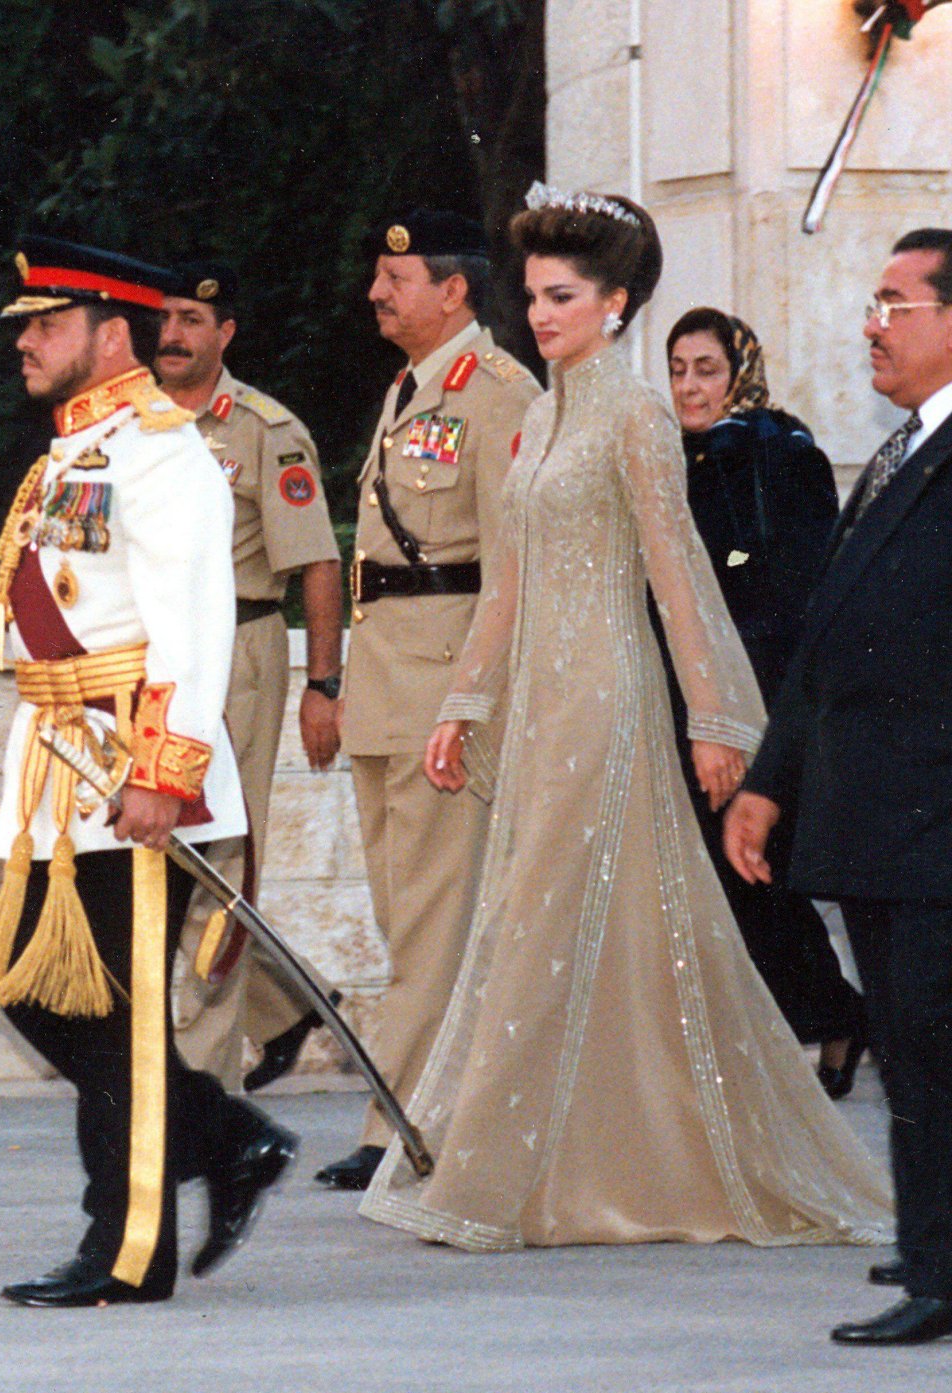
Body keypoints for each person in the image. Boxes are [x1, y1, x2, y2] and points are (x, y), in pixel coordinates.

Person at [360, 185, 892, 1255]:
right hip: (537, 704)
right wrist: (463, 701)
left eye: (563, 296)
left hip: (607, 694)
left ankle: (498, 1176)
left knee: (548, 918)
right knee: (538, 922)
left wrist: (718, 721)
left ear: (614, 306)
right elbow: (502, 586)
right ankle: (543, 1162)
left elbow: (679, 573)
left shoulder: (637, 415)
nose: (541, 311)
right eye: (534, 294)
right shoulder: (545, 412)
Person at [0, 235, 295, 1308]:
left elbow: (197, 626)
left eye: (45, 324)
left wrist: (163, 770)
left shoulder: (164, 452)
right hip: (57, 766)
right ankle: (225, 1136)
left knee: (121, 1009)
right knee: (43, 994)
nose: (25, 342)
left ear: (112, 333)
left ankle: (127, 1249)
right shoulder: (71, 453)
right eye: (22, 325)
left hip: (128, 761)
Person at [726, 227, 952, 1346]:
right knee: (910, 1043)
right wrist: (770, 783)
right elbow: (827, 641)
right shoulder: (900, 452)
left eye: (896, 302)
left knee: (935, 1039)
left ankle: (943, 1269)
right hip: (877, 812)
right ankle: (932, 1244)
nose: (874, 322)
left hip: (936, 812)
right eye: (872, 300)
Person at [317, 209, 540, 1192]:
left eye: (396, 278)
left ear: (453, 289)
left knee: (433, 926)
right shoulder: (410, 389)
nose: (377, 292)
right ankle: (419, 1113)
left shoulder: (498, 396)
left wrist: (474, 701)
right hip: (383, 689)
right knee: (407, 917)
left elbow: (512, 568)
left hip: (446, 690)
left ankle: (395, 1127)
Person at [663, 308, 867, 1094]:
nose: (690, 385)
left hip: (758, 700)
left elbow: (796, 575)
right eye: (678, 367)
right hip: (694, 696)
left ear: (739, 369)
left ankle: (833, 1014)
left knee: (754, 872)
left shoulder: (777, 449)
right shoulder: (679, 456)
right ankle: (831, 1015)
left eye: (706, 368)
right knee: (742, 879)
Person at [154, 260, 345, 1094]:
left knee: (220, 854)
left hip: (240, 651)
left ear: (224, 334)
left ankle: (204, 1085)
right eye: (162, 319)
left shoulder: (266, 430)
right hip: (157, 661)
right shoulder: (135, 426)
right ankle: (281, 1006)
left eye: (192, 321)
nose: (174, 335)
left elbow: (318, 563)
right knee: (164, 852)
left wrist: (323, 683)